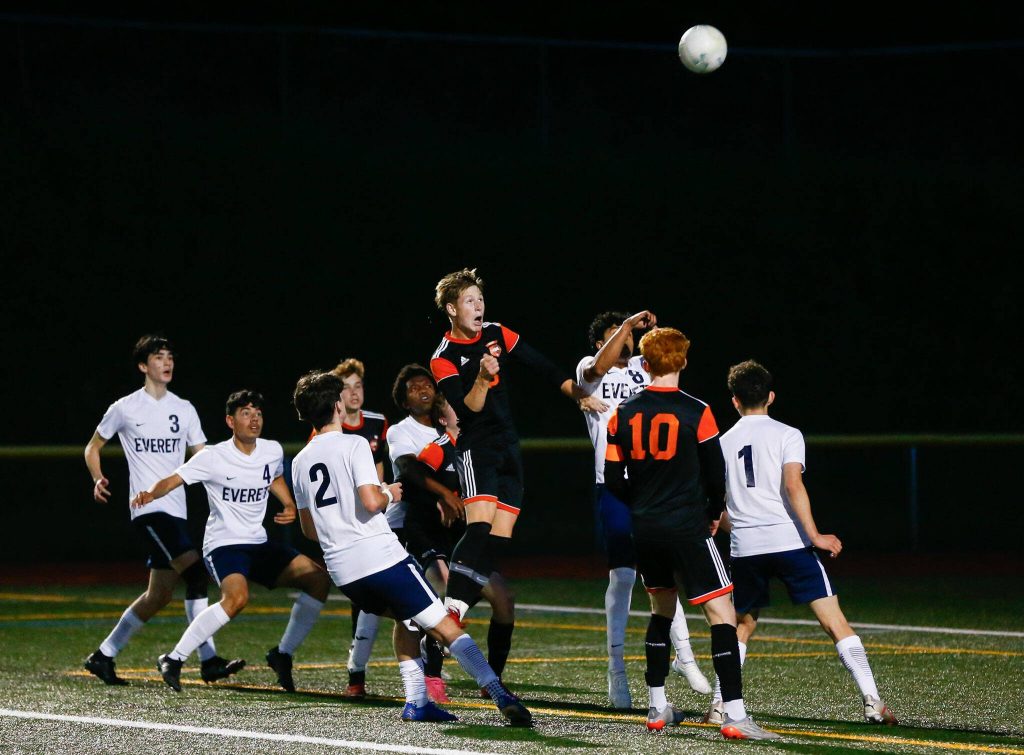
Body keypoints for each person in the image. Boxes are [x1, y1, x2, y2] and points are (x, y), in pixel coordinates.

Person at [290, 370, 532, 725]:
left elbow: (309, 529)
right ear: (337, 405)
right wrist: (390, 492)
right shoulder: (354, 444)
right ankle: (498, 692)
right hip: (380, 558)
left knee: (410, 620)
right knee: (446, 626)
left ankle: (417, 701)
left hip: (344, 572)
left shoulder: (299, 461)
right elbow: (373, 501)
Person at [604, 327, 779, 740]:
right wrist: (712, 513)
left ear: (644, 365)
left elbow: (612, 478)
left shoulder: (622, 413)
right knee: (722, 614)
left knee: (661, 611)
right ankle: (734, 715)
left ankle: (657, 706)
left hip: (645, 529)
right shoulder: (697, 411)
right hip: (687, 526)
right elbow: (715, 474)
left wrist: (642, 507)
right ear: (682, 362)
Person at [706, 360, 897, 726]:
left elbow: (718, 505)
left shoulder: (721, 443)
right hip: (789, 541)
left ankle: (719, 705)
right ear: (771, 396)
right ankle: (872, 701)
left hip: (745, 548)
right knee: (834, 622)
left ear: (733, 401)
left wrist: (742, 530)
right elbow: (793, 485)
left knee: (740, 627)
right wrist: (815, 536)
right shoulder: (787, 433)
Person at [131, 390, 331, 693]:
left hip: (258, 543)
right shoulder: (212, 456)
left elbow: (273, 476)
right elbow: (174, 479)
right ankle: (173, 658)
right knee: (236, 599)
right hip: (224, 544)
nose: (254, 419)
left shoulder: (272, 450)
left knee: (317, 580)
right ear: (230, 420)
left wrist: (288, 504)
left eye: (258, 413)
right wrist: (149, 494)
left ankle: (282, 654)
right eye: (246, 412)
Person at [429, 268, 587, 625]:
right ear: (452, 309)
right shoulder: (443, 356)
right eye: (469, 300)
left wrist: (576, 395)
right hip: (476, 447)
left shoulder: (497, 332)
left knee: (499, 539)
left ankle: (457, 612)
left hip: (507, 443)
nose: (478, 305)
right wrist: (483, 378)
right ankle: (450, 607)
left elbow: (540, 363)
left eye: (480, 299)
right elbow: (467, 409)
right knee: (480, 527)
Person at [82, 335, 242, 687]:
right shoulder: (125, 407)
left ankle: (103, 656)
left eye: (170, 356)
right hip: (148, 510)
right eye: (158, 357)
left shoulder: (184, 408)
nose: (166, 362)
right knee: (197, 575)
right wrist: (97, 477)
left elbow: (202, 456)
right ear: (143, 365)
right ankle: (208, 660)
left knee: (159, 595)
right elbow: (92, 447)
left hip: (177, 509)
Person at [577, 310, 711, 709]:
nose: (625, 342)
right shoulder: (590, 370)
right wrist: (627, 324)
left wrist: (649, 333)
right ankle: (616, 671)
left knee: (664, 574)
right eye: (615, 336)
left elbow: (669, 360)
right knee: (622, 577)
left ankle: (684, 655)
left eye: (629, 336)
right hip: (614, 483)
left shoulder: (644, 366)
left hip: (653, 483)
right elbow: (598, 365)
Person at [341, 363, 450, 699]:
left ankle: (435, 670)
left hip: (442, 524)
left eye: (427, 383)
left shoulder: (449, 426)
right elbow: (407, 470)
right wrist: (442, 493)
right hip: (401, 523)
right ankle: (357, 672)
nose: (424, 389)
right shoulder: (399, 431)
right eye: (414, 386)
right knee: (384, 606)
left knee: (441, 595)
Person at [410, 393, 516, 703]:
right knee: (445, 597)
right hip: (438, 545)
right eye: (457, 407)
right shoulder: (438, 450)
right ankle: (432, 677)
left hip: (469, 547)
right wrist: (442, 496)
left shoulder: (480, 448)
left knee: (504, 600)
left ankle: (491, 678)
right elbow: (412, 474)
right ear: (443, 419)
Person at [312, 357, 390, 696]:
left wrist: (384, 498)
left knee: (389, 600)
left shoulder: (377, 422)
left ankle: (425, 673)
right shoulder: (325, 432)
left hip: (378, 519)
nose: (354, 394)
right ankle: (358, 674)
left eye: (359, 386)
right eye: (347, 388)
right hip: (349, 528)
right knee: (371, 601)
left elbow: (382, 467)